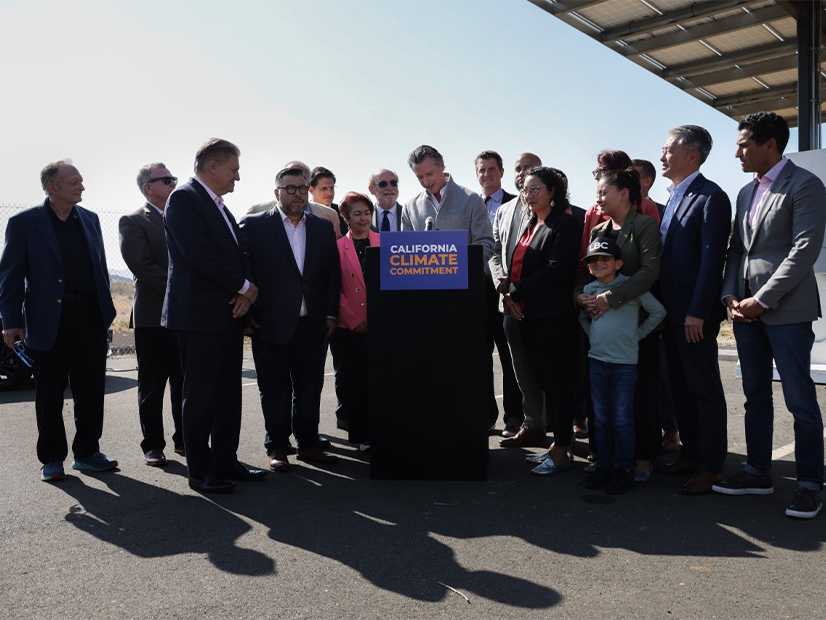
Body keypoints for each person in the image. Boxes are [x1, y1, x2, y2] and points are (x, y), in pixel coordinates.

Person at [715, 112, 826, 519]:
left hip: (787, 310)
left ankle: (810, 484)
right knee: (755, 395)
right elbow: (737, 250)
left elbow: (803, 251)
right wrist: (730, 293)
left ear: (770, 145)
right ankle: (757, 472)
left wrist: (762, 298)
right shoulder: (745, 192)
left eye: (744, 144)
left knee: (800, 400)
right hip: (744, 310)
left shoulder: (806, 185)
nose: (737, 152)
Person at [0, 160, 117, 481]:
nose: (82, 187)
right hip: (48, 319)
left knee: (91, 389)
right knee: (49, 392)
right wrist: (11, 321)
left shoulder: (90, 220)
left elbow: (101, 269)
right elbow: (10, 277)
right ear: (53, 187)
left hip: (91, 316)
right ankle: (52, 459)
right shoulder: (25, 223)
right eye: (75, 182)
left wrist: (107, 311)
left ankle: (88, 453)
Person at [163, 138, 265, 494]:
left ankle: (225, 461)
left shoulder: (218, 205)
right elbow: (198, 254)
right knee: (202, 394)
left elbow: (237, 253)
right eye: (234, 169)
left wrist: (247, 288)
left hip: (225, 314)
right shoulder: (185, 198)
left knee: (227, 394)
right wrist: (242, 286)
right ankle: (200, 470)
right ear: (213, 167)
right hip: (198, 316)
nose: (238, 176)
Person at [240, 167, 341, 473]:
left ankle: (309, 444)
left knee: (310, 389)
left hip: (312, 324)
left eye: (301, 188)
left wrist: (330, 313)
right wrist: (248, 316)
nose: (297, 193)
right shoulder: (254, 226)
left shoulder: (323, 228)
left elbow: (332, 275)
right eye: (290, 188)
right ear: (277, 193)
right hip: (268, 324)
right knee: (274, 390)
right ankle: (278, 447)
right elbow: (244, 271)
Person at [655, 125, 731, 496]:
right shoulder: (672, 197)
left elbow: (710, 261)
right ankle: (691, 453)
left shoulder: (711, 197)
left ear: (692, 155)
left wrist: (698, 311)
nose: (662, 155)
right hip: (669, 315)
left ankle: (711, 465)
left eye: (669, 149)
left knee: (703, 389)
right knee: (680, 389)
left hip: (693, 317)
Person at [576, 167, 663, 483]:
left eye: (603, 192)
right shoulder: (598, 230)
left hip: (635, 326)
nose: (598, 198)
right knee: (602, 405)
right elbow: (586, 277)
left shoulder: (645, 226)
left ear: (624, 194)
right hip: (601, 330)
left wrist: (609, 298)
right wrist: (582, 300)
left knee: (639, 399)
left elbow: (649, 273)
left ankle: (640, 459)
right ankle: (604, 459)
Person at [500, 167, 581, 476]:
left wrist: (515, 292)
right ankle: (557, 444)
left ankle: (562, 450)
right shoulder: (531, 223)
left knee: (559, 385)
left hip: (553, 319)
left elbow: (555, 270)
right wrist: (510, 295)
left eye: (536, 189)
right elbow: (519, 266)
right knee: (544, 383)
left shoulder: (566, 224)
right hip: (525, 314)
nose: (528, 195)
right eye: (525, 190)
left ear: (553, 192)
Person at [580, 237, 665, 494]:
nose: (598, 263)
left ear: (618, 263)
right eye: (593, 260)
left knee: (622, 419)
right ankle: (604, 466)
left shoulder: (630, 287)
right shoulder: (589, 290)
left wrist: (636, 335)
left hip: (625, 365)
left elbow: (658, 312)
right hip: (597, 362)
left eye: (604, 259)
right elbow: (583, 317)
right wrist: (592, 335)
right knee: (602, 418)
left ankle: (624, 469)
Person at [119, 163, 183, 466]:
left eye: (174, 178)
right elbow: (143, 267)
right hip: (153, 318)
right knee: (153, 385)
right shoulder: (133, 221)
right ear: (149, 187)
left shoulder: (181, 217)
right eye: (167, 179)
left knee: (184, 383)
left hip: (184, 317)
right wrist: (185, 288)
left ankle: (185, 440)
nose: (174, 183)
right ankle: (153, 445)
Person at [490, 152, 545, 446]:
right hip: (509, 304)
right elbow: (495, 250)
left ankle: (560, 427)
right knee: (520, 368)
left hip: (542, 304)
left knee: (548, 369)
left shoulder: (552, 210)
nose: (522, 173)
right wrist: (503, 286)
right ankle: (533, 423)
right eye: (518, 169)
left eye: (529, 168)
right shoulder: (504, 209)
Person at [633, 157, 679, 454]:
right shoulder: (615, 215)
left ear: (646, 181)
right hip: (628, 311)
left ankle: (671, 431)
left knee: (663, 377)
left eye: (632, 176)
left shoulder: (663, 214)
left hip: (658, 307)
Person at [476, 150, 522, 436]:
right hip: (476, 294)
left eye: (491, 169)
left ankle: (514, 418)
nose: (486, 175)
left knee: (509, 358)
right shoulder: (472, 204)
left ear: (501, 172)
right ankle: (485, 416)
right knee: (480, 359)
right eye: (481, 170)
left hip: (506, 292)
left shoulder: (515, 204)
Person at [330, 192, 380, 450]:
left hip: (381, 327)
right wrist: (352, 320)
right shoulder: (337, 248)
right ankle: (360, 436)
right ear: (345, 217)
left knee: (379, 382)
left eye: (367, 213)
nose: (363, 218)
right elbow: (332, 289)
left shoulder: (385, 243)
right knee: (354, 384)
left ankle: (382, 432)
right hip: (348, 329)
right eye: (357, 213)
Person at [401, 145, 494, 261]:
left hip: (464, 278)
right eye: (420, 177)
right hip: (424, 279)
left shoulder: (472, 200)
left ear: (441, 165)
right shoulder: (409, 208)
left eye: (430, 174)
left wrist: (460, 265)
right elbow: (406, 251)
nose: (425, 181)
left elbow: (486, 244)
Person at [578, 150, 661, 272]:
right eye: (595, 171)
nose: (597, 176)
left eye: (602, 170)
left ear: (620, 172)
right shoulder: (592, 212)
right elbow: (585, 257)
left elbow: (650, 261)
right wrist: (580, 290)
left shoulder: (646, 207)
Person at [247, 161, 341, 238]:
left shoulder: (329, 215)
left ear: (308, 185)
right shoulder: (257, 212)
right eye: (291, 187)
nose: (297, 192)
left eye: (301, 185)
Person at [310, 166, 347, 235]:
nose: (330, 193)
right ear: (311, 189)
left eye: (332, 188)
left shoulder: (344, 213)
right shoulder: (303, 213)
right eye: (324, 188)